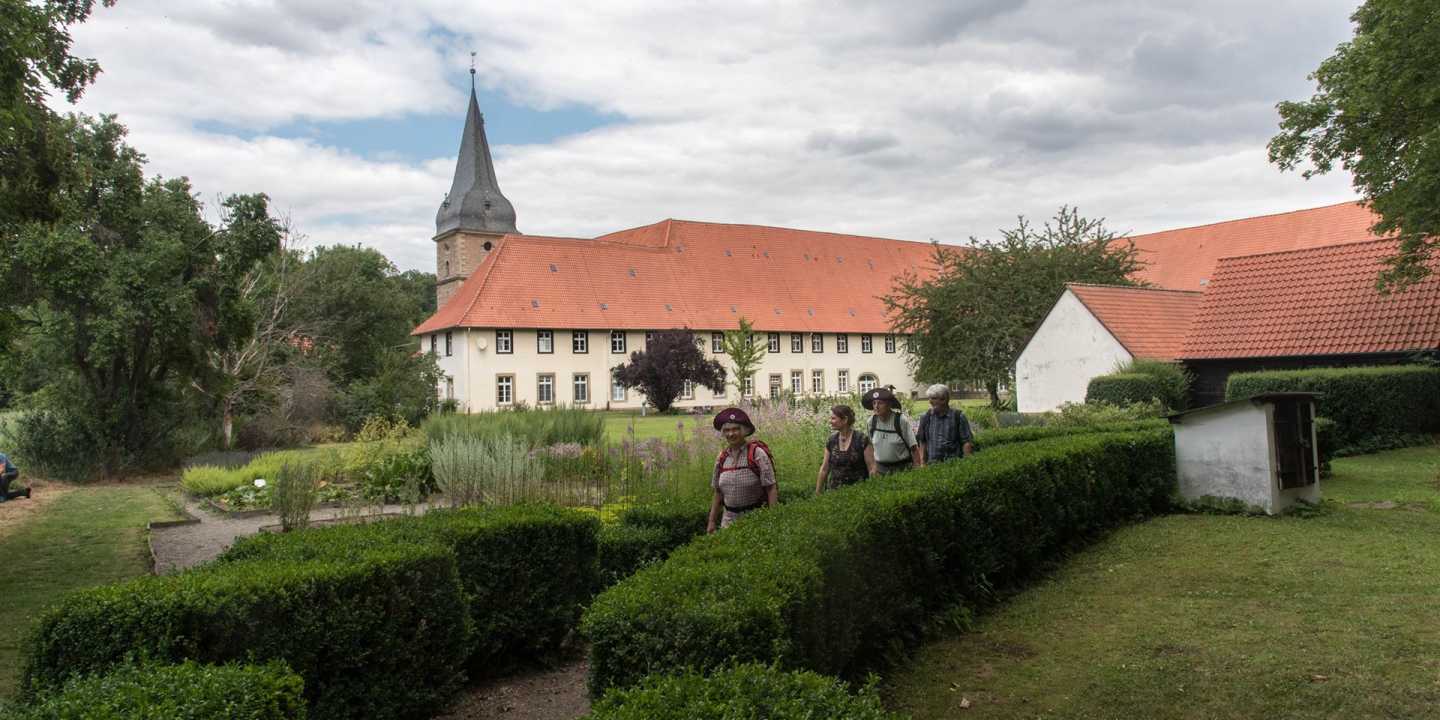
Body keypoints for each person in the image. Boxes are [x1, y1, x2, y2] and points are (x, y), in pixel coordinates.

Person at [707, 407, 777, 532]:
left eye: (736, 429)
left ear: (744, 431)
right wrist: (711, 522)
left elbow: (771, 487)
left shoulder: (757, 453)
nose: (731, 434)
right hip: (727, 522)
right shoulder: (721, 458)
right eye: (727, 430)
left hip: (756, 520)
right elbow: (718, 492)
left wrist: (773, 519)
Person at [815, 405, 877, 494]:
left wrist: (873, 490)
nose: (830, 421)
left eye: (833, 418)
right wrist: (818, 493)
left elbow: (872, 468)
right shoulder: (831, 441)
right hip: (834, 494)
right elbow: (824, 469)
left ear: (845, 420)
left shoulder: (862, 439)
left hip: (859, 493)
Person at [862, 387, 920, 475]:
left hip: (902, 469)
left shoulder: (900, 420)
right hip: (880, 470)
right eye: (874, 403)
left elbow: (914, 447)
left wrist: (917, 467)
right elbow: (870, 446)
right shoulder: (871, 421)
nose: (876, 406)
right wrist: (872, 468)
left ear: (889, 405)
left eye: (880, 403)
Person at [916, 384, 974, 465]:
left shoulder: (958, 416)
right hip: (932, 466)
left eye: (933, 398)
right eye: (929, 398)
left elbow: (966, 442)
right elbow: (922, 442)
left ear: (944, 399)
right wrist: (923, 463)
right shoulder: (925, 417)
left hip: (954, 465)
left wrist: (967, 464)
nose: (930, 401)